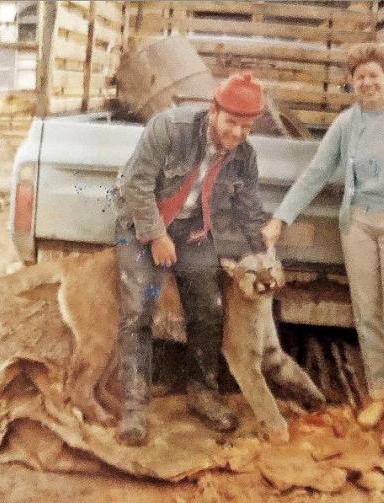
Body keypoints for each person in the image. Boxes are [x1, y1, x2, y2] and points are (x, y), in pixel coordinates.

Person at [261, 43, 384, 454]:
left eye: (374, 75)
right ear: (352, 83)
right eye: (360, 77)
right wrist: (281, 217)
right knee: (368, 316)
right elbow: (316, 172)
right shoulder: (347, 123)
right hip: (358, 227)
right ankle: (377, 393)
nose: (368, 83)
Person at [113, 71, 270, 446]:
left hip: (192, 231)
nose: (237, 133)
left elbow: (248, 211)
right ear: (213, 110)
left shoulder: (244, 156)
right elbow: (136, 183)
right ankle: (134, 408)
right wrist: (155, 235)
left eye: (246, 126)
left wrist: (261, 256)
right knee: (139, 312)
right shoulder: (170, 127)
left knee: (208, 309)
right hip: (139, 223)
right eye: (231, 122)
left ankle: (202, 392)